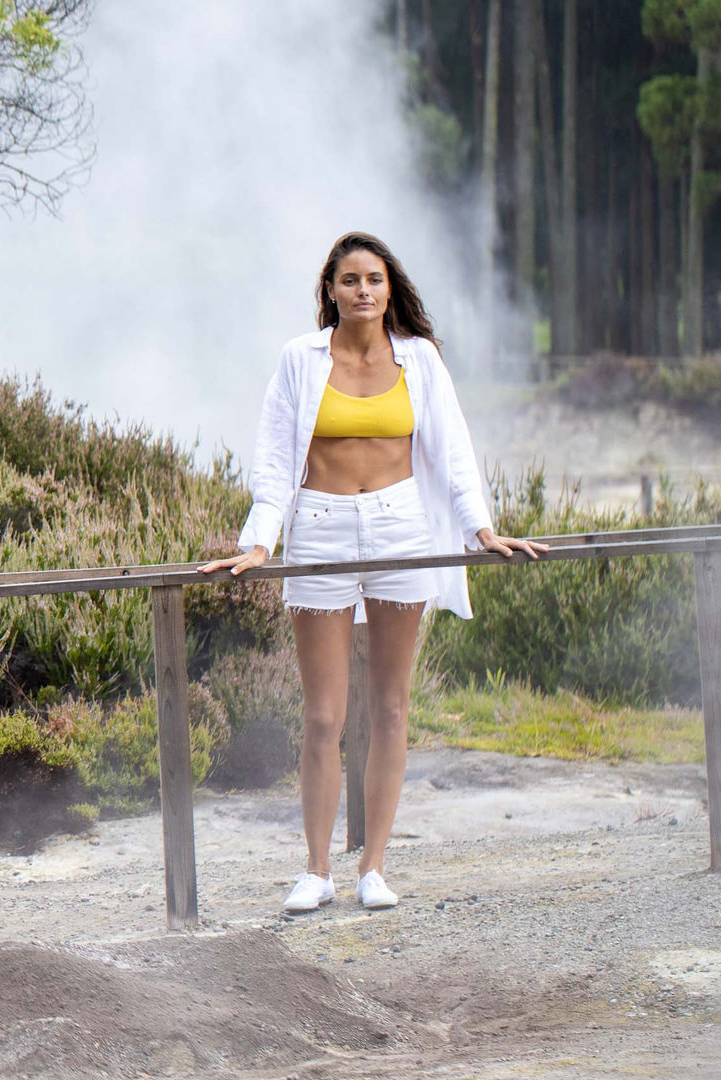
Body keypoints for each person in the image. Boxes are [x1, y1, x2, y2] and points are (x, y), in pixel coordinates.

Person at [197, 231, 548, 913]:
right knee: (324, 712)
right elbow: (274, 463)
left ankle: (374, 868)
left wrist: (481, 528)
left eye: (375, 280)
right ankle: (317, 869)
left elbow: (452, 453)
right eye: (350, 279)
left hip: (400, 528)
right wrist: (260, 544)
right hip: (322, 530)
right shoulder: (300, 360)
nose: (364, 291)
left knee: (390, 705)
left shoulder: (418, 359)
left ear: (391, 290)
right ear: (330, 289)